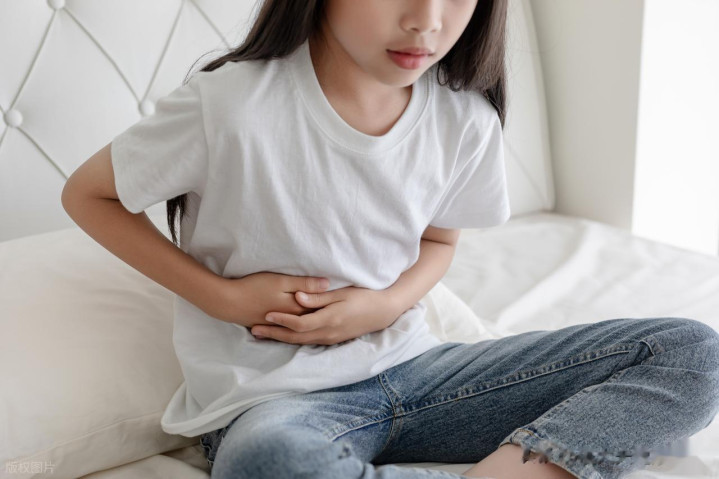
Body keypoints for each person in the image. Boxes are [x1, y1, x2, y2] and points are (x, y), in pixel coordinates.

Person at [61, 0, 719, 478]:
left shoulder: (463, 119)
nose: (426, 21)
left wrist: (386, 303)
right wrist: (224, 298)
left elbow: (439, 242)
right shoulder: (230, 104)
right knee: (271, 462)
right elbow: (88, 195)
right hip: (276, 401)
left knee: (692, 351)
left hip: (421, 375)